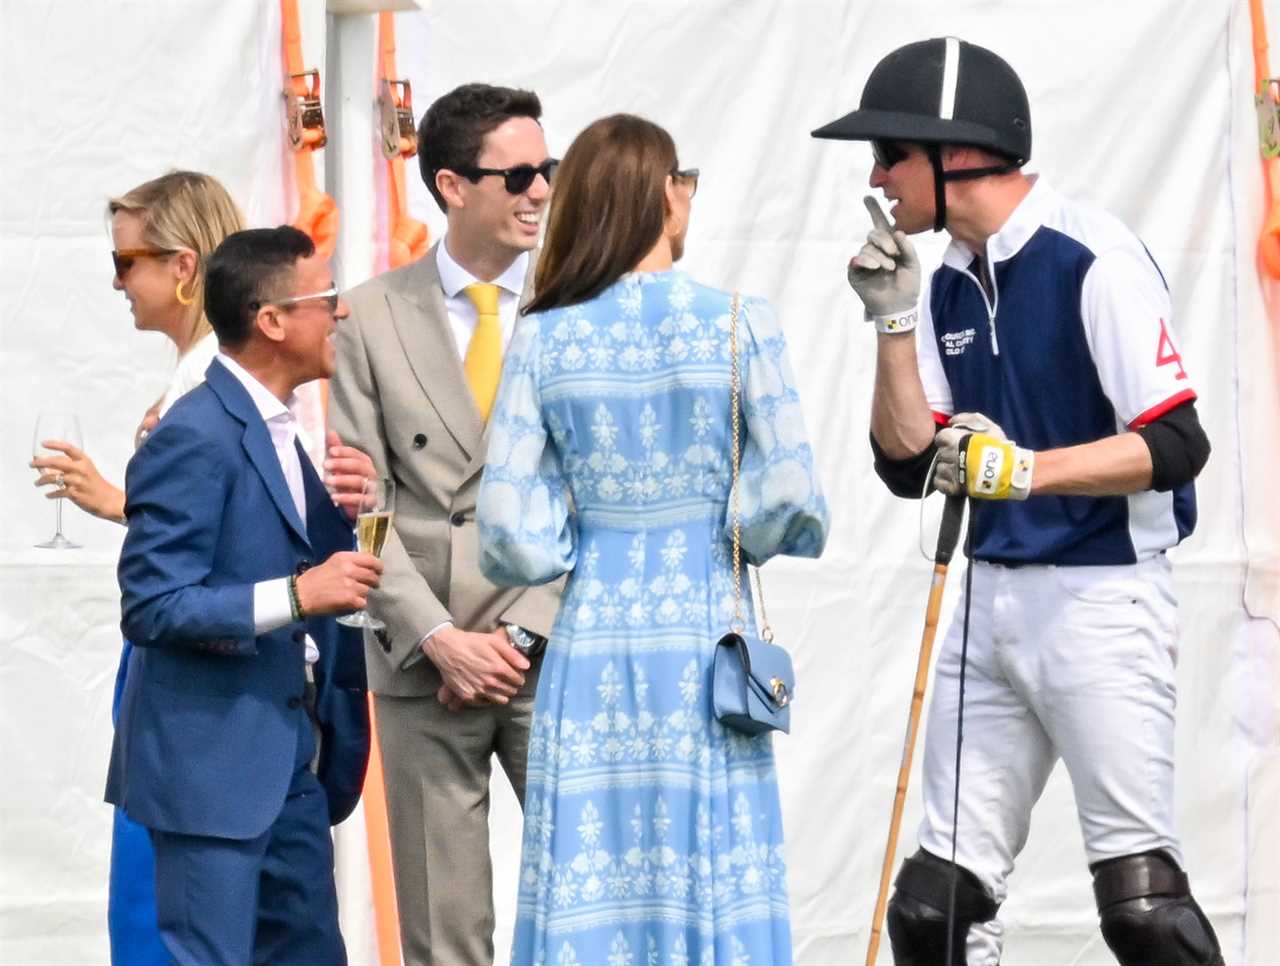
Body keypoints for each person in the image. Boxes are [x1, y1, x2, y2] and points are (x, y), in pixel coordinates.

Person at [812, 37, 1221, 966]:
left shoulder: (1094, 258)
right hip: (986, 601)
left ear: (954, 154)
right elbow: (907, 463)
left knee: (1143, 910)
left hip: (1101, 601)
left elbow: (1175, 444)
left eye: (889, 154)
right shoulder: (946, 276)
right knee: (931, 909)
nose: (876, 178)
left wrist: (1027, 470)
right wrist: (892, 321)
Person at [475, 113, 828, 965]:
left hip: (593, 636)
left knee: (592, 871)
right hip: (707, 633)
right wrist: (728, 531)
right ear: (664, 195)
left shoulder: (541, 336)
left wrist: (583, 542)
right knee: (709, 861)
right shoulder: (741, 322)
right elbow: (791, 494)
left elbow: (509, 533)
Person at [328, 82, 563, 965]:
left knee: (591, 906)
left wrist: (520, 636)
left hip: (550, 652)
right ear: (453, 186)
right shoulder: (367, 315)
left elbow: (596, 495)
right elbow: (363, 511)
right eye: (520, 176)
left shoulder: (577, 309)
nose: (540, 191)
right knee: (442, 933)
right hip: (421, 661)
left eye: (549, 170)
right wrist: (436, 637)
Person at [106, 225, 382, 966]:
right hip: (210, 775)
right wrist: (296, 596)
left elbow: (306, 558)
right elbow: (152, 605)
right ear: (273, 321)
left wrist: (345, 517)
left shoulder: (279, 427)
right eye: (327, 298)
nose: (342, 313)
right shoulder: (193, 431)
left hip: (291, 765)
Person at [30, 171, 241, 966]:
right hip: (169, 652)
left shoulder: (214, 388)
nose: (117, 282)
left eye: (127, 263)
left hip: (185, 665)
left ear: (182, 268)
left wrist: (123, 503)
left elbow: (225, 531)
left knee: (160, 900)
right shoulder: (197, 382)